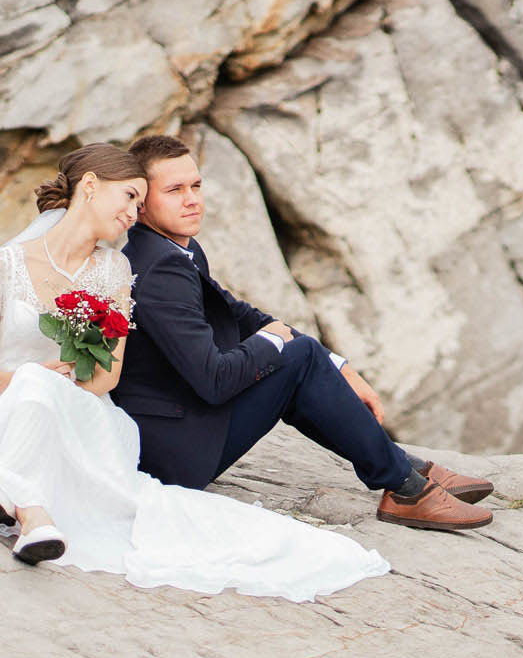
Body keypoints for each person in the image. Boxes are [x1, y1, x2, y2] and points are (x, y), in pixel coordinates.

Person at [0, 144, 391, 601]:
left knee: (42, 382)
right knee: (34, 381)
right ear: (92, 185)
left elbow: (106, 381)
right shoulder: (5, 265)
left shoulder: (114, 271)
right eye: (129, 196)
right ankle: (33, 515)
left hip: (84, 417)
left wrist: (60, 379)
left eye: (141, 201)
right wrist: (30, 376)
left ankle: (7, 490)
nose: (133, 212)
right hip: (15, 413)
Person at [110, 134, 494, 531]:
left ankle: (406, 472)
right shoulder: (161, 271)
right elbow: (214, 380)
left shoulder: (172, 250)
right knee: (298, 357)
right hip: (173, 453)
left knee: (302, 357)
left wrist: (339, 366)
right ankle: (406, 487)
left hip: (180, 427)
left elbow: (243, 316)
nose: (192, 199)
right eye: (174, 190)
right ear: (139, 204)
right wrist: (275, 342)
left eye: (196, 185)